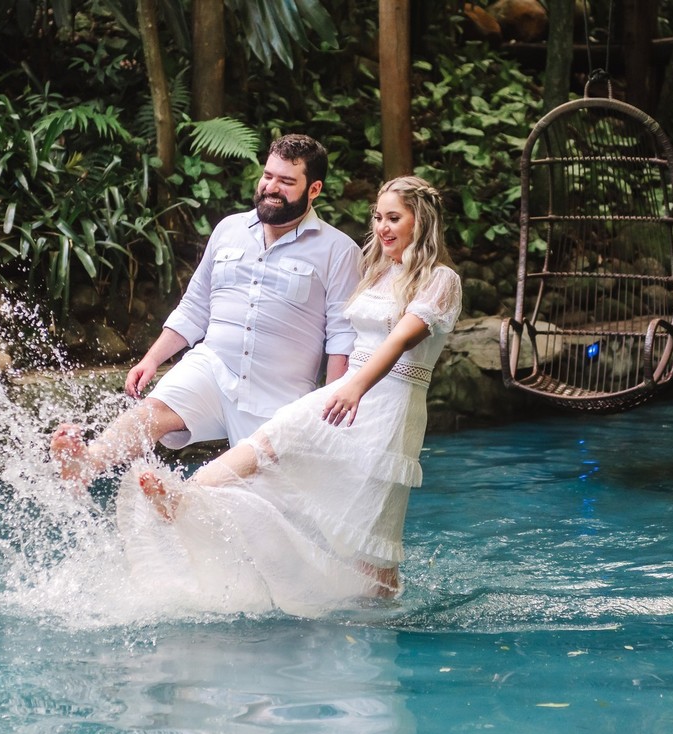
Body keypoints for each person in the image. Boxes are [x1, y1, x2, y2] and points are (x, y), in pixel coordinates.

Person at [119, 176, 463, 615]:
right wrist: (342, 384)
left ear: (423, 221)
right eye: (378, 217)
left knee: (369, 538)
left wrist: (356, 386)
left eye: (394, 218)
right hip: (346, 392)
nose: (382, 227)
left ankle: (388, 616)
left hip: (388, 403)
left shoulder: (442, 280)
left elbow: (397, 341)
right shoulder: (378, 270)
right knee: (273, 440)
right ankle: (185, 497)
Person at [50, 134, 361, 484]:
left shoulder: (339, 250)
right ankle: (88, 463)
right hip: (213, 367)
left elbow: (341, 339)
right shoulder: (229, 229)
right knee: (155, 410)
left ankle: (182, 509)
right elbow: (196, 305)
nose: (271, 187)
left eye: (286, 181)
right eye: (268, 176)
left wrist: (325, 409)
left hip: (280, 395)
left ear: (314, 189)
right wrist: (151, 360)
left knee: (265, 498)